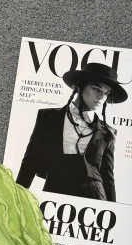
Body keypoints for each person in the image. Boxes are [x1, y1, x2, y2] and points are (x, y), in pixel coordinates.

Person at [16, 62, 127, 202]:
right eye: (96, 89)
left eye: (106, 93)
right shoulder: (48, 117)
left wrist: (112, 208)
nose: (101, 97)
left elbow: (107, 176)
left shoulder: (108, 133)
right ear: (79, 86)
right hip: (54, 191)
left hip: (94, 197)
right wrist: (17, 197)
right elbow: (31, 160)